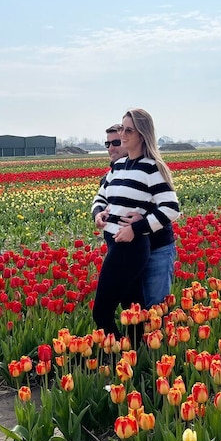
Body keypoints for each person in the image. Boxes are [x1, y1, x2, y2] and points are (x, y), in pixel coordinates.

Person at [92, 109, 180, 344]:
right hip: (116, 245)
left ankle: (120, 358)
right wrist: (98, 215)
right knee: (134, 313)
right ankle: (134, 359)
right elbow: (101, 198)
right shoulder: (118, 167)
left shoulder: (151, 168)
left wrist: (138, 227)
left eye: (128, 129)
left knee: (104, 312)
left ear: (142, 135)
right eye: (122, 128)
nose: (123, 133)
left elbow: (171, 208)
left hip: (133, 247)